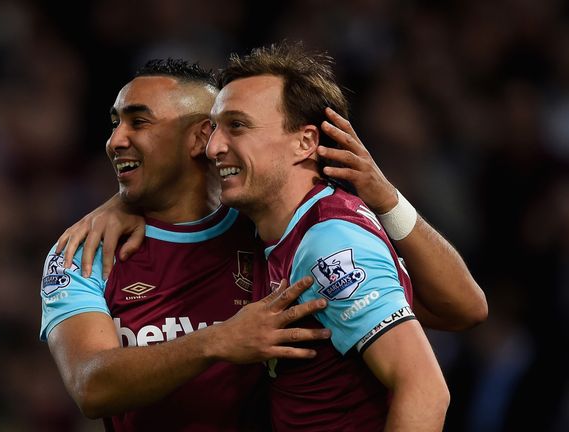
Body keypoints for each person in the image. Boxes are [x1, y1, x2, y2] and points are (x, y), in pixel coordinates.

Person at [41, 60, 332, 431]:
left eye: (139, 121)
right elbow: (90, 386)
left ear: (201, 137)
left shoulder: (267, 228)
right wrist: (217, 340)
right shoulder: (83, 251)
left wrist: (390, 204)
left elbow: (422, 308)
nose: (115, 140)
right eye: (115, 123)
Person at [204, 41, 450, 430]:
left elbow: (424, 388)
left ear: (305, 142)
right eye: (214, 127)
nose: (213, 146)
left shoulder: (329, 244)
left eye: (237, 125)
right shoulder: (286, 230)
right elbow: (467, 308)